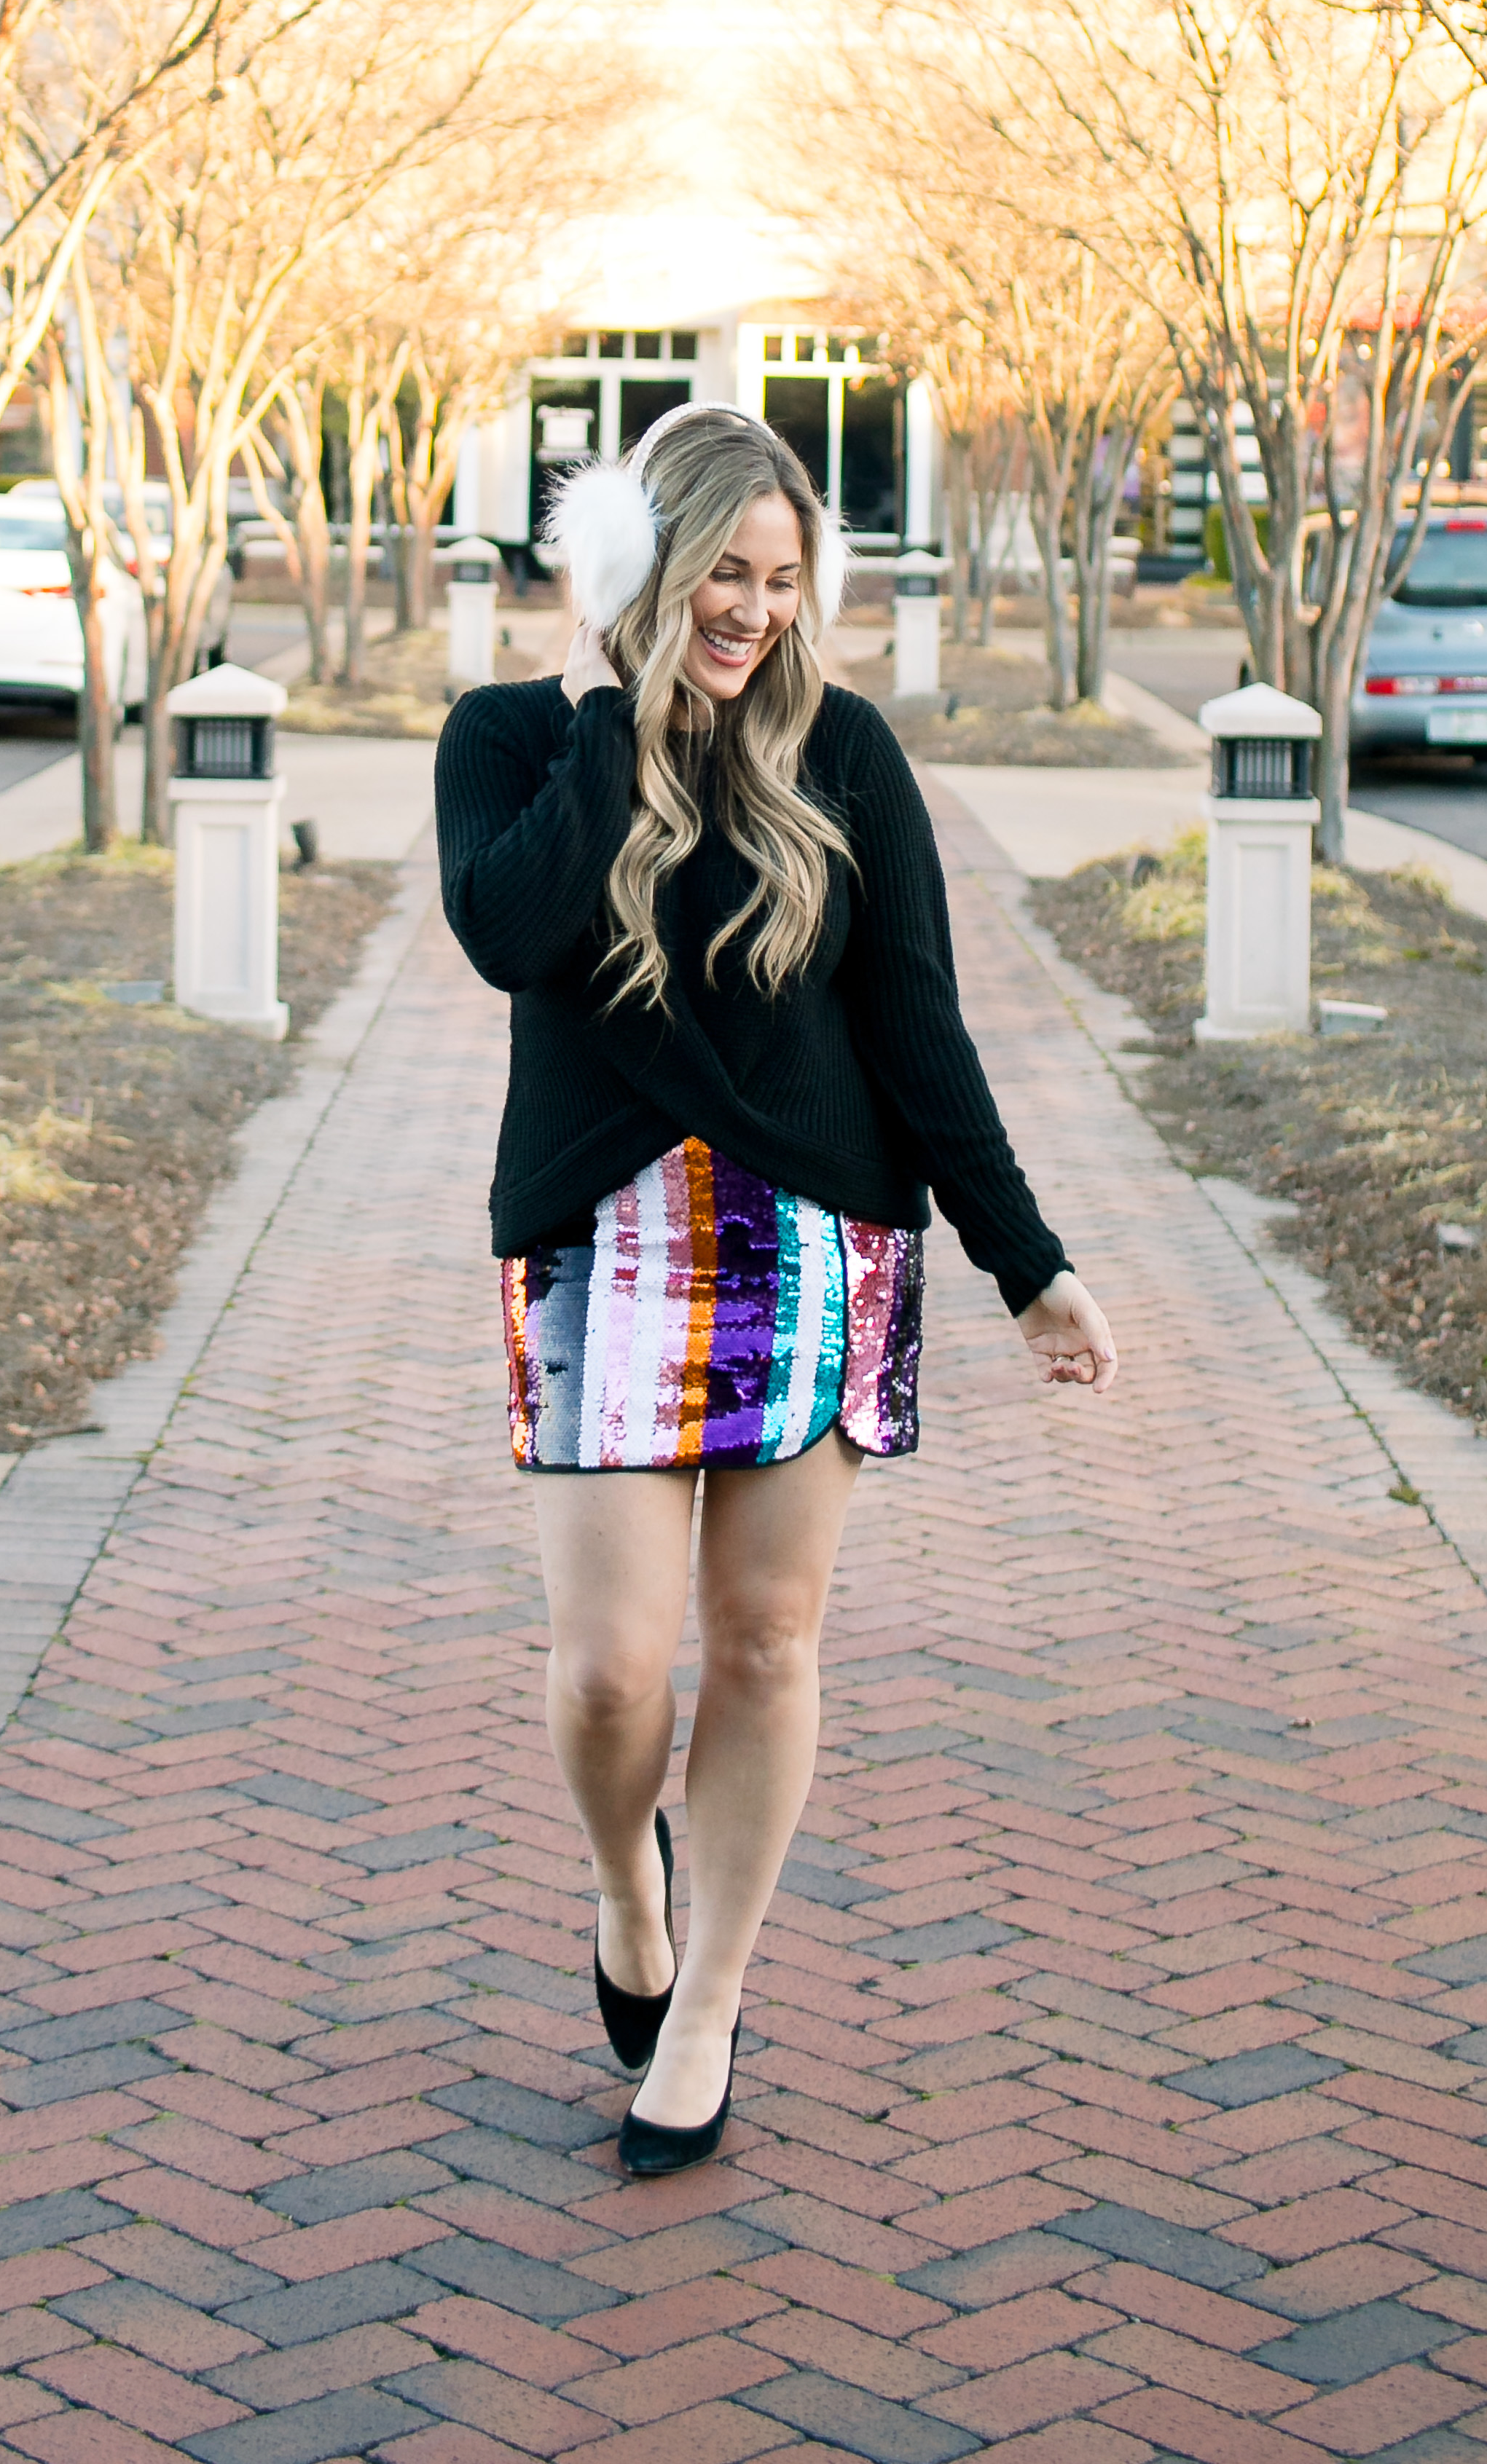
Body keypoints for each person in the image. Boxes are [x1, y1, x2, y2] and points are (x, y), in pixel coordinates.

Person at [435, 403, 1117, 2178]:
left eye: (776, 581)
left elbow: (917, 1030)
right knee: (607, 1676)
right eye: (717, 573)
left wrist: (1023, 1263)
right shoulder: (514, 737)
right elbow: (508, 932)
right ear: (642, 564)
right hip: (601, 1239)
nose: (746, 611)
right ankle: (625, 1893)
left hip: (811, 1243)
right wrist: (610, 701)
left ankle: (712, 2005)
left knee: (765, 1639)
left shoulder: (848, 755)